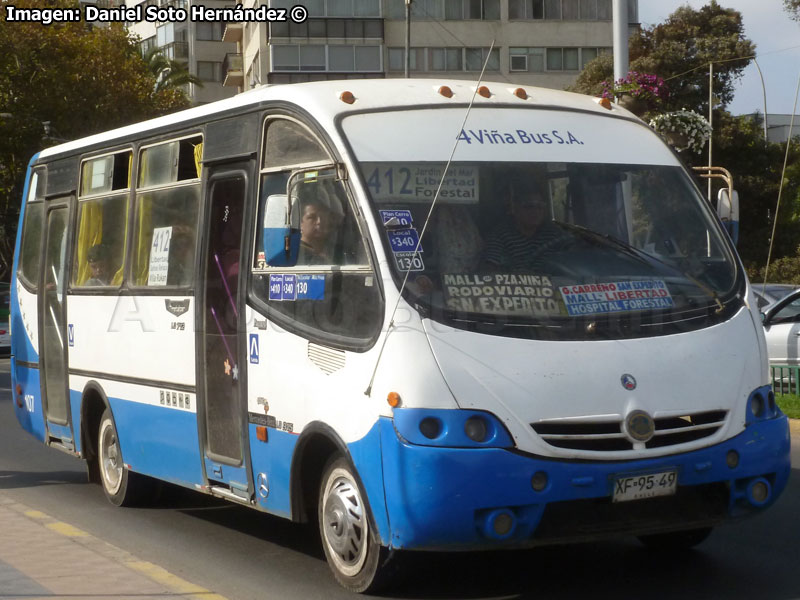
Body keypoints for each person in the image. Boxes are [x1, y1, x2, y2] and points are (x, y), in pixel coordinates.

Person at [482, 183, 564, 271]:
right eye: (529, 206)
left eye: (540, 206)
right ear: (515, 208)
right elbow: (490, 272)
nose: (535, 211)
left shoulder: (554, 234)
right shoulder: (500, 236)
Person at [297, 192, 335, 265]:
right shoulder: (298, 254)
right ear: (300, 223)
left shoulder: (333, 250)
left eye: (323, 216)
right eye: (312, 217)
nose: (319, 221)